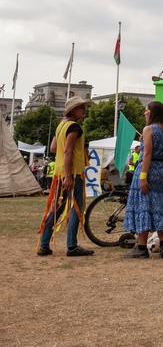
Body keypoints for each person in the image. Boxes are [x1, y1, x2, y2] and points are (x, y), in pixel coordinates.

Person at [123, 100, 163, 259]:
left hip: (147, 169)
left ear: (152, 113)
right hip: (161, 171)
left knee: (144, 205)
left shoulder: (148, 129)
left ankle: (142, 247)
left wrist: (143, 177)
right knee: (160, 206)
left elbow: (148, 154)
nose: (144, 113)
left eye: (146, 110)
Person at [36, 95, 94, 257]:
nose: (84, 110)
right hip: (72, 173)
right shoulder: (74, 127)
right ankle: (72, 245)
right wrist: (69, 175)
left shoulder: (61, 125)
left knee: (57, 208)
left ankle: (44, 244)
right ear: (73, 110)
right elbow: (67, 150)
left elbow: (54, 148)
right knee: (77, 208)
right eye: (82, 107)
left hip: (59, 172)